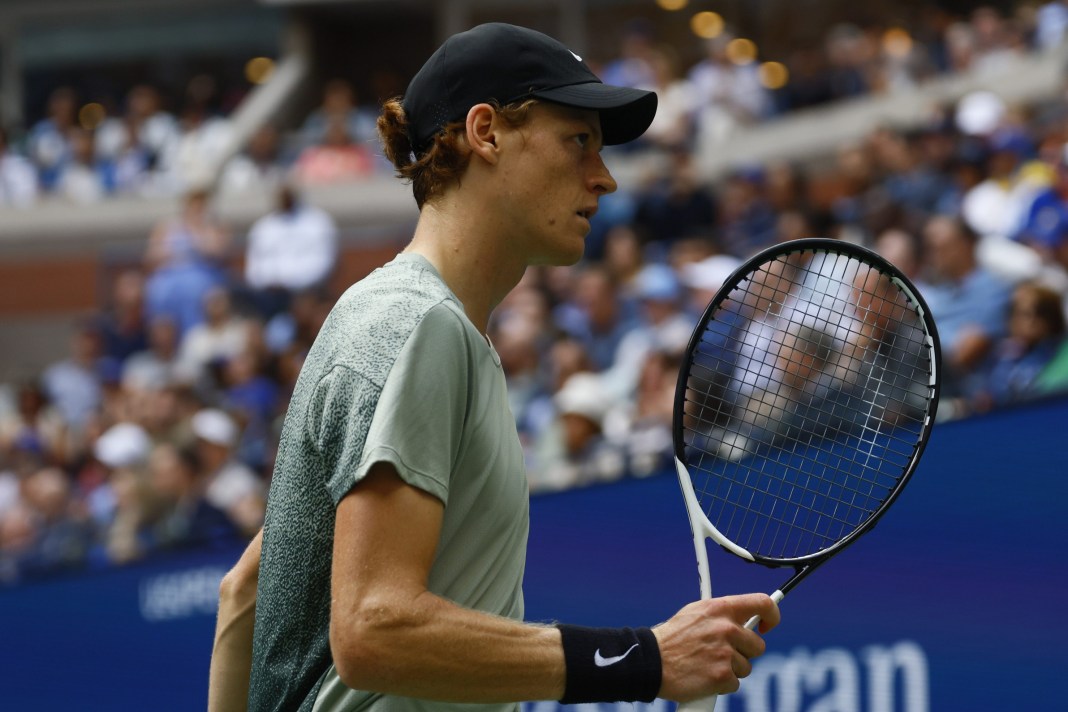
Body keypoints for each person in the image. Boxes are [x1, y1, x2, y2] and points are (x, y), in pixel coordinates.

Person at [209, 22, 779, 712]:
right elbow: (371, 629)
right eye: (579, 141)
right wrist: (646, 658)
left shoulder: (393, 319)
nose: (604, 177)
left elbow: (245, 589)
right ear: (486, 133)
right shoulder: (421, 325)